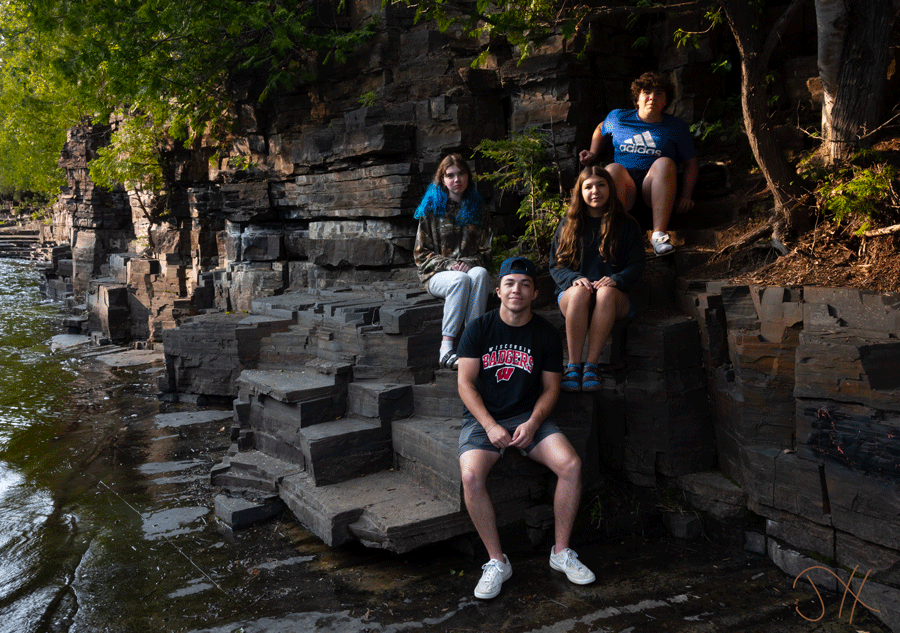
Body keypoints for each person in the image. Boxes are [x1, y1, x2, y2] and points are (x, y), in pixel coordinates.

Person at [456, 256, 596, 600]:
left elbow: (551, 388)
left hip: (529, 417)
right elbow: (465, 384)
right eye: (509, 283)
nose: (516, 290)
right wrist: (489, 425)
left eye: (525, 284)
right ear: (499, 291)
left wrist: (533, 423)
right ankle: (496, 561)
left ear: (534, 293)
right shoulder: (478, 328)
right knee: (471, 476)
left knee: (572, 465)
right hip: (483, 419)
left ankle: (560, 552)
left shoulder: (546, 333)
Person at [578, 71, 698, 256]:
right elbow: (601, 128)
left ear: (665, 101)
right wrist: (593, 152)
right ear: (637, 98)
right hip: (625, 187)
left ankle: (658, 236)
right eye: (647, 93)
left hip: (655, 187)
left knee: (666, 163)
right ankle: (614, 236)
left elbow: (691, 163)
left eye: (659, 94)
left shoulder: (676, 126)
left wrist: (686, 195)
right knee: (612, 169)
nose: (652, 98)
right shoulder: (618, 117)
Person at [550, 167, 645, 392]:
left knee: (604, 293)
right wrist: (574, 278)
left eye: (601, 185)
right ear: (580, 192)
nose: (595, 191)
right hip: (575, 297)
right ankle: (573, 366)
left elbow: (637, 264)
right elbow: (556, 265)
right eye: (588, 186)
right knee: (580, 291)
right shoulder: (568, 225)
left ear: (610, 188)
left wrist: (617, 279)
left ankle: (591, 366)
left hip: (613, 298)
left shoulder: (627, 224)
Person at [414, 154, 492, 369]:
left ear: (468, 177)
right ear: (443, 179)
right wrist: (449, 264)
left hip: (469, 270)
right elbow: (421, 254)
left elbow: (487, 251)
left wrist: (469, 262)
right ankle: (446, 350)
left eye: (461, 173)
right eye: (450, 175)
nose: (456, 179)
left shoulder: (479, 210)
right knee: (460, 279)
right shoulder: (431, 210)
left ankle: (472, 342)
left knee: (481, 274)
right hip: (436, 275)